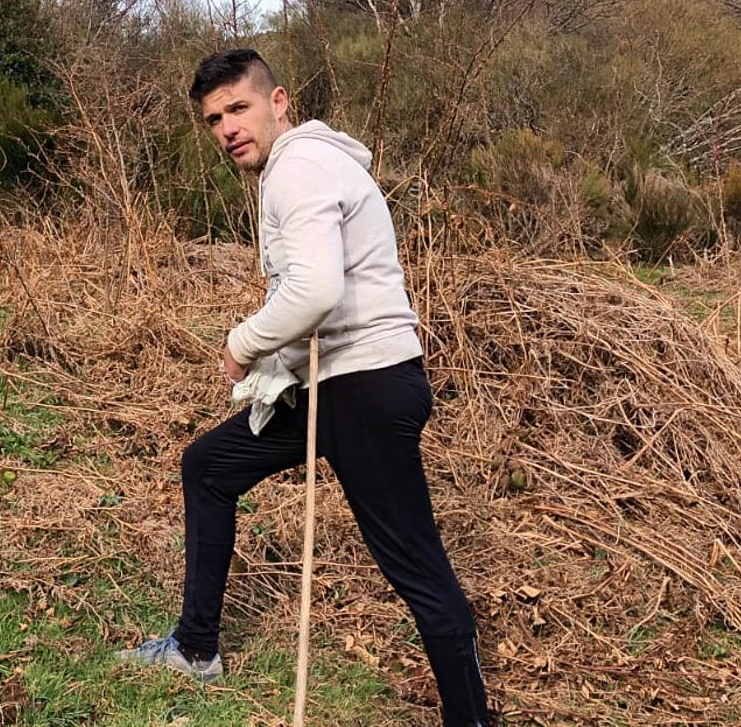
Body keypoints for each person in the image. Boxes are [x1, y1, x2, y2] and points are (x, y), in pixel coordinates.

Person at [116, 49, 490, 726]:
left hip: (364, 390)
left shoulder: (298, 168)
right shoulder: (307, 167)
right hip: (333, 385)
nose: (228, 127)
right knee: (208, 465)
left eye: (239, 107)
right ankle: (196, 647)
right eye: (214, 118)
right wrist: (276, 368)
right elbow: (314, 293)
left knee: (420, 574)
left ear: (278, 101)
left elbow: (319, 289)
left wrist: (242, 343)